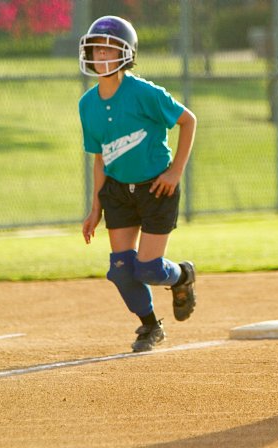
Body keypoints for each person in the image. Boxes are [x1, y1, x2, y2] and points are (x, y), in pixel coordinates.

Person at [79, 16, 197, 353]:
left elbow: (188, 121)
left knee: (147, 269)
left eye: (109, 50)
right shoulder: (87, 105)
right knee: (120, 270)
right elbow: (100, 157)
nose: (101, 57)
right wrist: (95, 207)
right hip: (117, 190)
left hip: (156, 188)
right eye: (96, 50)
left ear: (126, 53)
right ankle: (149, 327)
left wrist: (175, 172)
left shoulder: (144, 92)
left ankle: (182, 276)